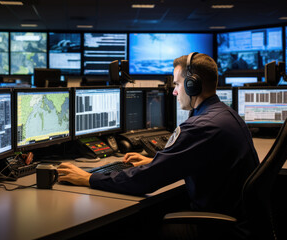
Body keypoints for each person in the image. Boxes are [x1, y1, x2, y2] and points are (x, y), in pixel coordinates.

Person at [57, 52, 259, 239]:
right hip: (239, 220)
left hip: (220, 230)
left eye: (178, 84)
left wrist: (90, 178)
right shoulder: (225, 114)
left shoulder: (201, 126)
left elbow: (145, 182)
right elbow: (197, 159)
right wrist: (156, 161)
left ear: (192, 85)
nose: (174, 91)